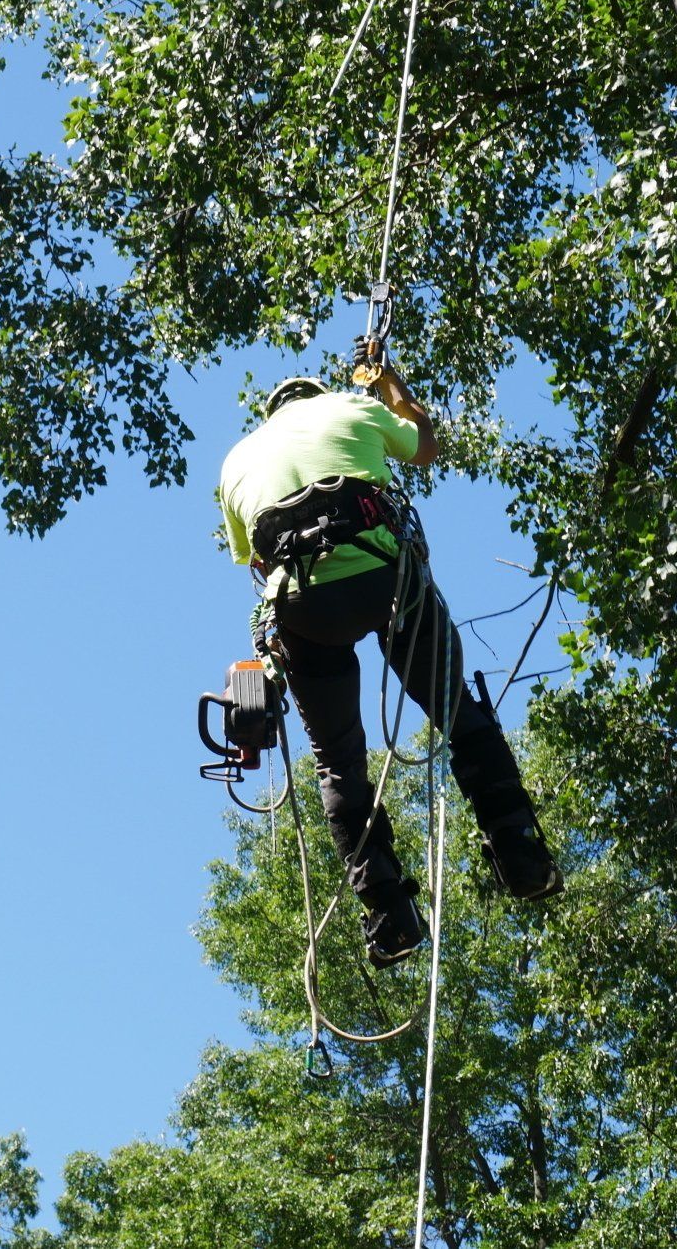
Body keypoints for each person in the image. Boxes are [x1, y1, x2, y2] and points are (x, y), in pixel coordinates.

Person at [217, 355, 562, 967]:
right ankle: (520, 854)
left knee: (338, 766)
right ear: (316, 396)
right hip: (388, 584)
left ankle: (389, 915)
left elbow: (252, 561)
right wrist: (393, 388)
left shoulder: (236, 461)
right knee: (456, 713)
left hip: (302, 611)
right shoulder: (353, 407)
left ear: (273, 412)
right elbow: (426, 447)